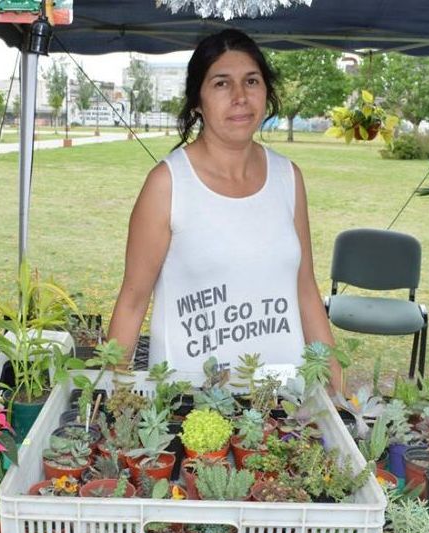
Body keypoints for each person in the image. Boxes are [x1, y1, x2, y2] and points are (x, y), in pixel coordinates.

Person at [107, 29, 342, 393]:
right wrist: (111, 396)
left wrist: (333, 381)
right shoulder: (168, 183)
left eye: (252, 81)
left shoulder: (288, 177)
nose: (240, 97)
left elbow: (306, 287)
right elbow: (132, 301)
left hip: (283, 397)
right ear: (197, 100)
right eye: (221, 83)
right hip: (188, 402)